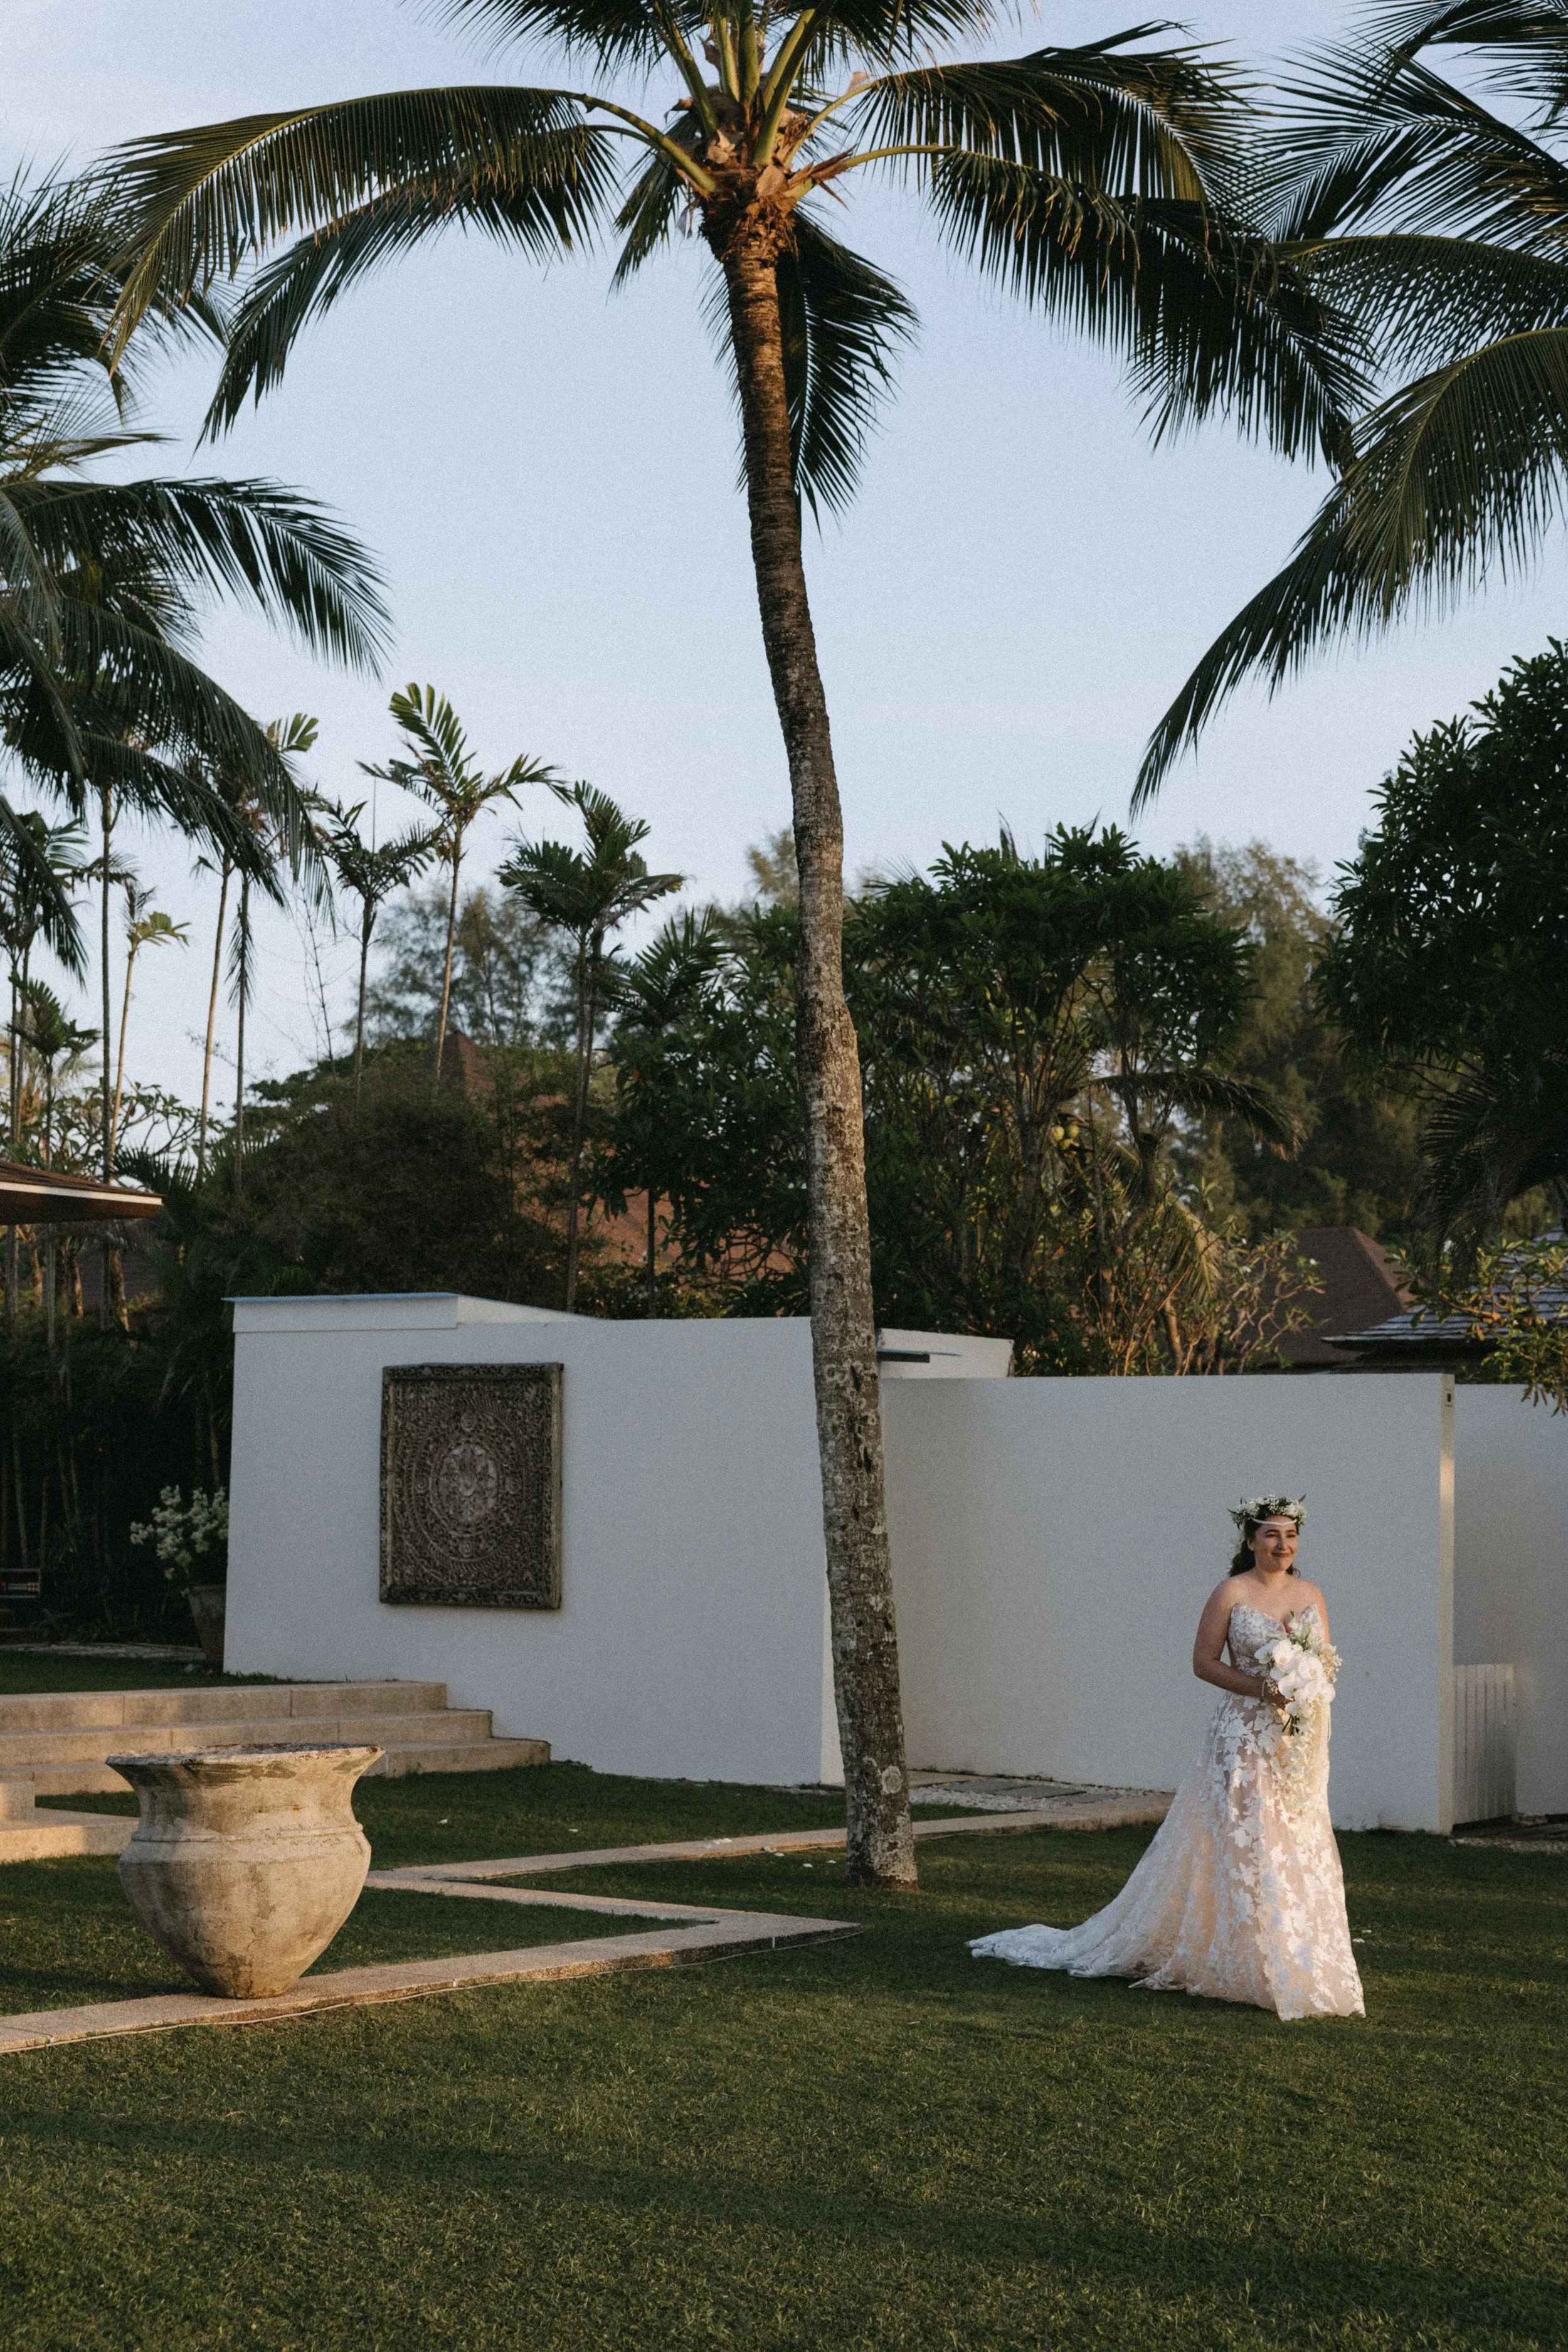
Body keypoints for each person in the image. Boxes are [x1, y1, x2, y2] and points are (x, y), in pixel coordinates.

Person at [969, 1496, 1364, 2021]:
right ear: (1250, 1540)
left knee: (1298, 1843)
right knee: (1253, 1845)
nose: (1283, 1545)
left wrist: (1308, 1686)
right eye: (1271, 1535)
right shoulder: (1232, 1592)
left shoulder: (1311, 1593)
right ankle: (1250, 1966)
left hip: (1297, 1742)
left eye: (1291, 1536)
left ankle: (1299, 1961)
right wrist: (1261, 1687)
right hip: (1242, 1739)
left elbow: (1323, 1662)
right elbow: (1203, 1663)